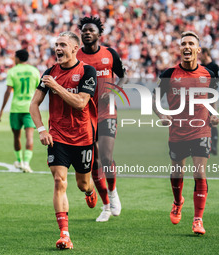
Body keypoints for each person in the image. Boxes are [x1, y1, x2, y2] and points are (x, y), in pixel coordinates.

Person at [29, 31, 98, 249]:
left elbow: (80, 103)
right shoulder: (49, 72)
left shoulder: (87, 71)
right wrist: (41, 129)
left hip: (83, 136)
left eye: (63, 45)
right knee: (59, 181)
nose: (58, 48)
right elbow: (34, 104)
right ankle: (64, 234)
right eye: (56, 44)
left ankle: (90, 191)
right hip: (57, 136)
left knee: (82, 183)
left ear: (75, 48)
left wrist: (56, 87)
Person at [153, 31, 219, 235]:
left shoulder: (208, 74)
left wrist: (214, 113)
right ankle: (177, 201)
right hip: (177, 133)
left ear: (198, 50)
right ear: (180, 49)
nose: (187, 46)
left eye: (191, 43)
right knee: (177, 173)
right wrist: (162, 115)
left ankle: (198, 219)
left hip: (201, 130)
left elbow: (212, 98)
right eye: (183, 43)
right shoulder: (168, 74)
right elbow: (154, 100)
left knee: (199, 172)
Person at [77, 16, 126, 222]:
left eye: (91, 30)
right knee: (94, 162)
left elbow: (122, 75)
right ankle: (105, 206)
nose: (87, 33)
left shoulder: (109, 54)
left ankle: (113, 193)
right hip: (86, 114)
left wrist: (114, 90)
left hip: (107, 111)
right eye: (84, 30)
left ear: (99, 34)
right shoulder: (76, 56)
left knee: (106, 157)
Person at [0, 49, 40, 173]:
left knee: (16, 137)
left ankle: (19, 161)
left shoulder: (13, 71)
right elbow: (40, 90)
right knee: (30, 136)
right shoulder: (34, 71)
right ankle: (26, 163)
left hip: (16, 109)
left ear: (17, 58)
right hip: (30, 109)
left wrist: (1, 111)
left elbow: (8, 91)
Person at [200, 47, 219, 155]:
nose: (199, 56)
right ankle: (206, 145)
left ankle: (213, 146)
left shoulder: (214, 67)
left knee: (213, 120)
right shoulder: (201, 67)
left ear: (205, 54)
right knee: (203, 121)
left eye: (200, 54)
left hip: (212, 97)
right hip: (203, 98)